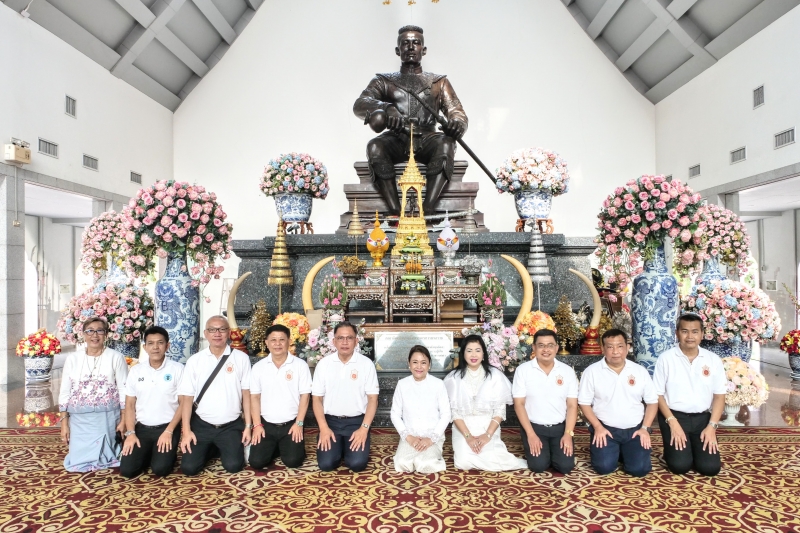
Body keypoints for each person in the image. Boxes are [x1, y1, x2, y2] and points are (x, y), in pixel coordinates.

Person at [353, 25, 468, 216]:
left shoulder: (439, 82)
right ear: (398, 50)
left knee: (447, 144)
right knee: (374, 146)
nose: (411, 47)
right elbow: (360, 104)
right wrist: (387, 108)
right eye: (405, 43)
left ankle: (429, 208)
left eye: (416, 43)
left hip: (428, 136)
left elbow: (456, 111)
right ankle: (395, 211)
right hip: (397, 137)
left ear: (424, 49)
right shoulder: (384, 80)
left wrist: (457, 124)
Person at [578, 329, 658, 477]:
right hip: (606, 429)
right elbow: (584, 403)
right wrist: (597, 427)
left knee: (639, 470)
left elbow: (652, 402)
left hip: (635, 429)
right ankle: (615, 450)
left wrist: (645, 428)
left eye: (620, 346)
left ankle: (625, 451)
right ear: (602, 349)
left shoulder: (640, 371)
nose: (615, 351)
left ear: (627, 348)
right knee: (604, 467)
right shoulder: (592, 372)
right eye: (610, 347)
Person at [178, 316, 252, 475]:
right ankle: (210, 447)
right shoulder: (195, 361)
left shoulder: (241, 358)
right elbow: (187, 398)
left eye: (222, 329)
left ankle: (220, 447)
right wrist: (186, 431)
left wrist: (248, 426)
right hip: (201, 425)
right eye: (212, 329)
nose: (217, 333)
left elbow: (246, 394)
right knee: (189, 468)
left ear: (229, 333)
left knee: (233, 466)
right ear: (205, 333)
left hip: (231, 426)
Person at [653, 314, 726, 476]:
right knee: (679, 466)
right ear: (677, 333)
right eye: (685, 331)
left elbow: (720, 396)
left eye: (695, 332)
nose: (690, 336)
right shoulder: (666, 359)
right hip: (674, 417)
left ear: (702, 334)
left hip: (703, 419)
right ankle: (675, 451)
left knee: (710, 469)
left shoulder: (713, 360)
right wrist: (672, 422)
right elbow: (658, 395)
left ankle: (692, 448)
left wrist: (712, 426)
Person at [444, 335, 526, 471]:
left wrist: (487, 435)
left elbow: (500, 411)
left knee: (495, 458)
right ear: (463, 353)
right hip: (463, 428)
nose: (473, 354)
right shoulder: (453, 378)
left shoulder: (495, 376)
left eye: (477, 350)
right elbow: (454, 412)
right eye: (469, 350)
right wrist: (468, 437)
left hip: (488, 427)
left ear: (483, 353)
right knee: (462, 463)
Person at [59, 316, 128, 472]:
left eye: (99, 331)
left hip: (107, 417)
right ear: (83, 334)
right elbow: (64, 392)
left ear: (106, 334)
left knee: (107, 457)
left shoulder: (116, 357)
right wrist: (64, 424)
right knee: (77, 461)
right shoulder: (73, 359)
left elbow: (124, 390)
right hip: (79, 418)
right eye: (90, 331)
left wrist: (124, 420)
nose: (94, 335)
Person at [312, 321, 379, 472]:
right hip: (331, 423)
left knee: (357, 464)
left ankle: (347, 447)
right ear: (333, 341)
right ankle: (338, 448)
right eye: (340, 338)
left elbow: (373, 399)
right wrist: (323, 427)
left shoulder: (366, 364)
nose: (345, 342)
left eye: (349, 338)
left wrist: (364, 428)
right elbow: (316, 399)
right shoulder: (324, 364)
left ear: (356, 341)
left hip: (357, 422)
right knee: (327, 465)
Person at [120, 326, 184, 478]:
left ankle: (162, 454)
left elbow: (184, 404)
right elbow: (129, 405)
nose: (155, 347)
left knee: (161, 469)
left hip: (167, 428)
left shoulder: (178, 369)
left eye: (160, 343)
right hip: (141, 428)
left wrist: (169, 431)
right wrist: (130, 433)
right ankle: (148, 452)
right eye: (150, 343)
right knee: (128, 471)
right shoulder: (136, 371)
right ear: (144, 347)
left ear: (167, 346)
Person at [512, 329, 578, 474]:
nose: (546, 349)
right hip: (534, 427)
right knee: (538, 466)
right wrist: (530, 434)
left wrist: (568, 434)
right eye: (541, 345)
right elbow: (519, 404)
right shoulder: (523, 370)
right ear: (534, 348)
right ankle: (543, 453)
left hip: (560, 428)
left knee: (565, 467)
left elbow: (572, 406)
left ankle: (555, 452)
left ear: (556, 348)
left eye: (550, 345)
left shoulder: (567, 371)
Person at [249, 324, 312, 470]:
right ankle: (275, 446)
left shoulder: (300, 365)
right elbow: (255, 398)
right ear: (266, 343)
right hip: (266, 424)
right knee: (256, 462)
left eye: (282, 340)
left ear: (289, 341)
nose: (277, 344)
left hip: (291, 424)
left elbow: (305, 396)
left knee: (293, 461)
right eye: (273, 340)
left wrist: (299, 423)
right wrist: (257, 425)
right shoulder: (258, 367)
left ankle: (287, 446)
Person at [390, 345, 451, 473]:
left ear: (429, 365)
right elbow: (395, 414)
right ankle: (415, 455)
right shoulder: (402, 384)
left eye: (423, 363)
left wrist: (431, 439)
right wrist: (408, 437)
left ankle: (429, 457)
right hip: (410, 437)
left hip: (431, 437)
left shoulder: (438, 384)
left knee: (424, 464)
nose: (419, 367)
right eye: (415, 362)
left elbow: (446, 414)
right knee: (402, 464)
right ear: (409, 364)